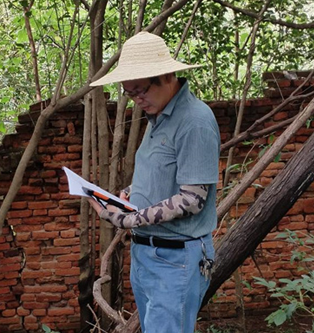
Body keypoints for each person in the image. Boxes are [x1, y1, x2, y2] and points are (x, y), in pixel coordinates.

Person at [89, 31, 220, 333]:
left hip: (176, 257)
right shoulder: (158, 116)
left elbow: (192, 198)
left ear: (167, 75)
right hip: (146, 253)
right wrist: (122, 196)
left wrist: (129, 219)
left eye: (141, 91)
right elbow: (159, 179)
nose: (137, 100)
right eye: (129, 93)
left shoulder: (194, 121)